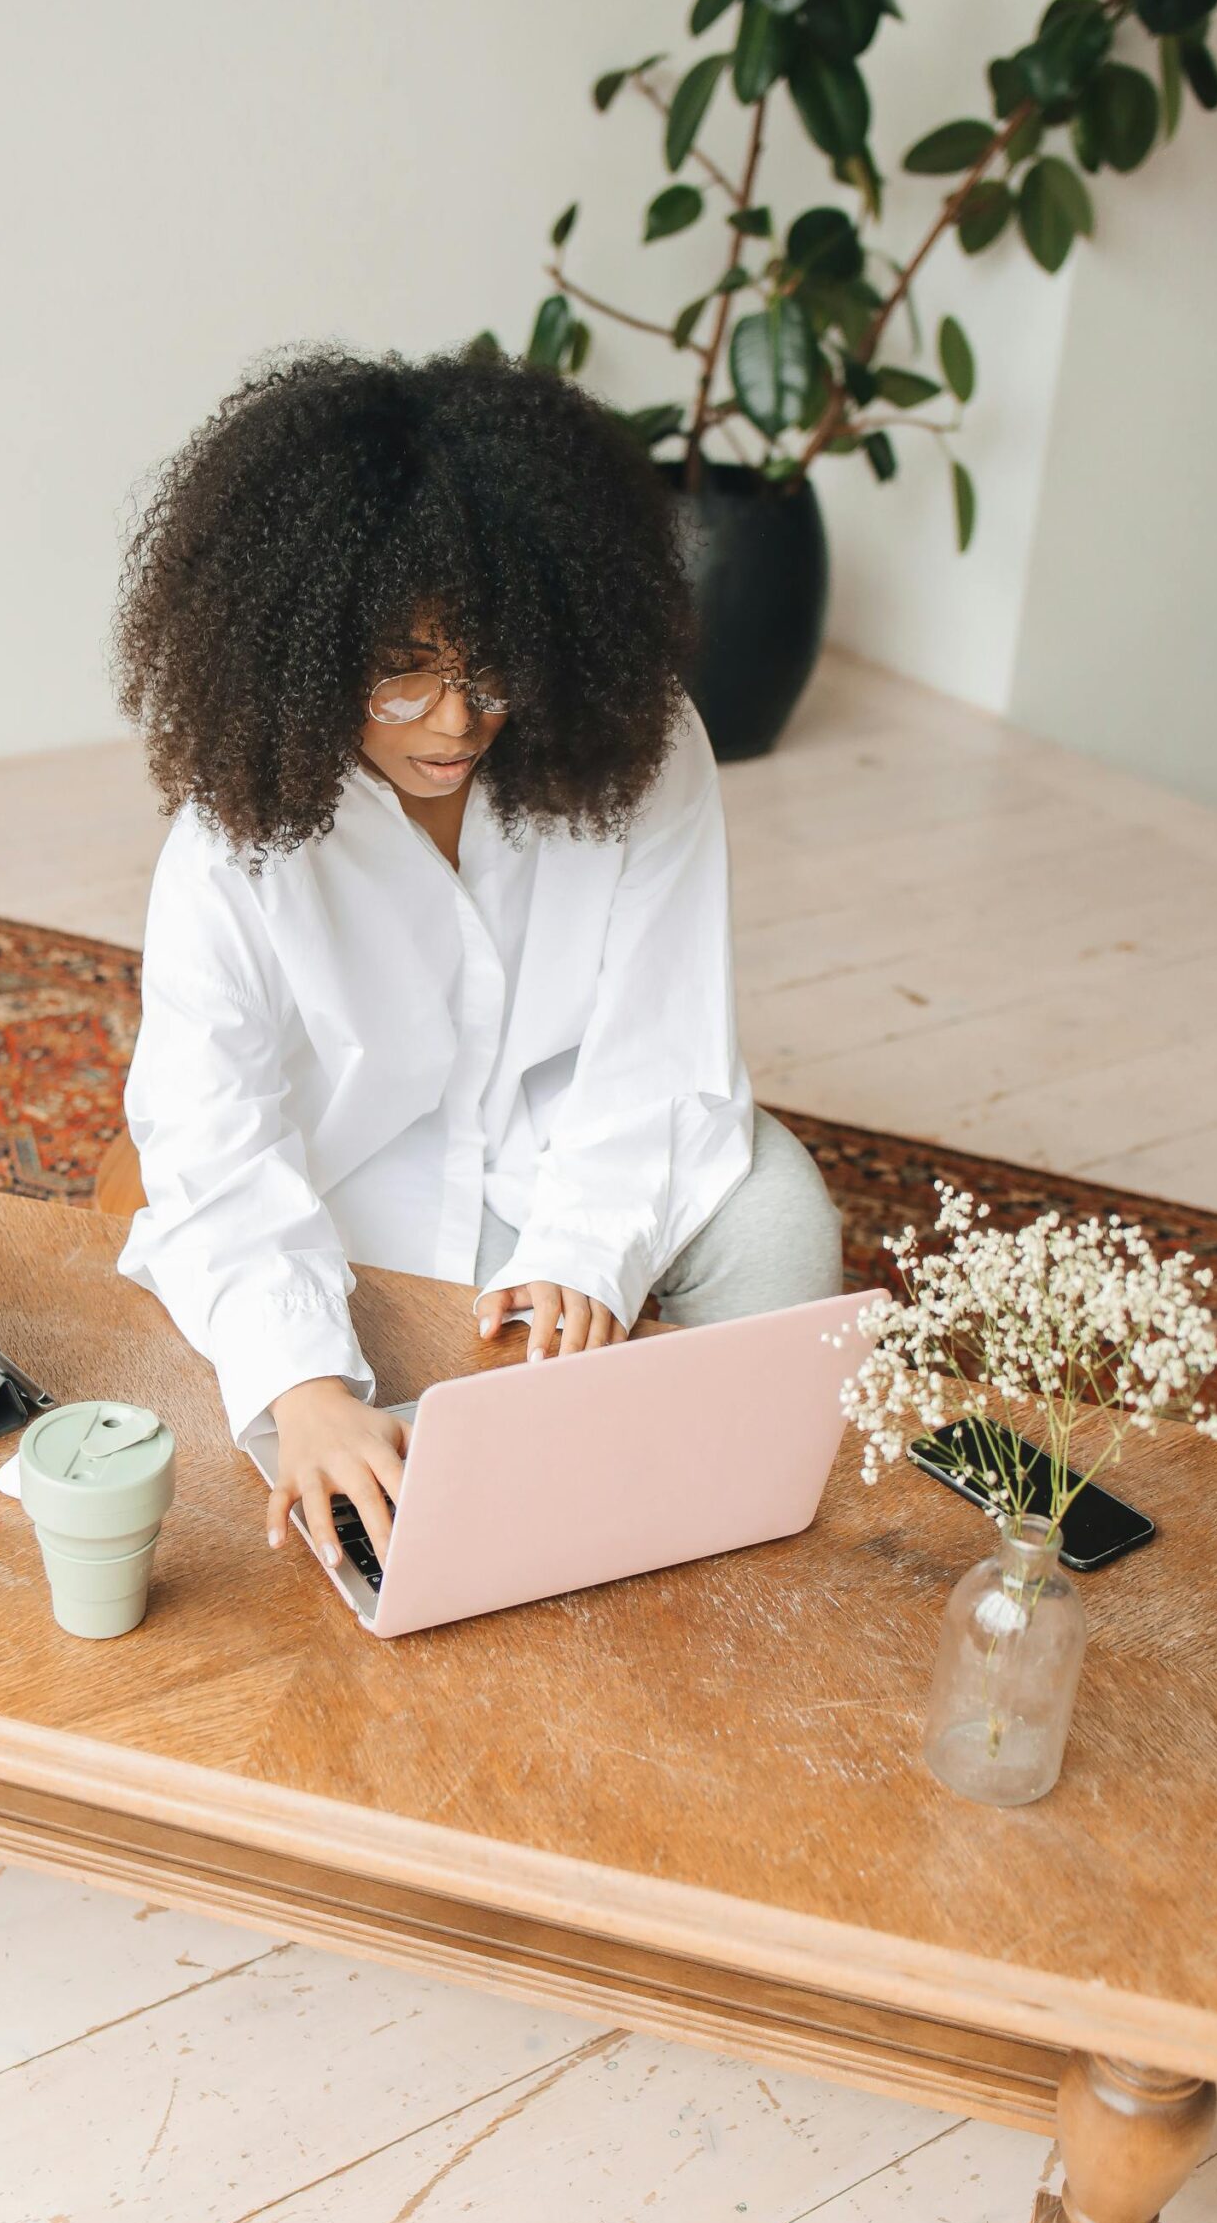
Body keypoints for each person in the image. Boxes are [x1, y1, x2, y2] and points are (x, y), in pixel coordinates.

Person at [113, 347, 842, 1578]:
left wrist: (589, 1248)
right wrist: (304, 1385)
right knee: (350, 1437)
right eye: (400, 669)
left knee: (783, 1220)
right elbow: (210, 1136)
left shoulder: (639, 747)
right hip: (348, 1177)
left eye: (490, 665)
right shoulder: (228, 840)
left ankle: (734, 1529)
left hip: (583, 1139)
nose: (454, 721)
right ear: (304, 643)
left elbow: (666, 1041)